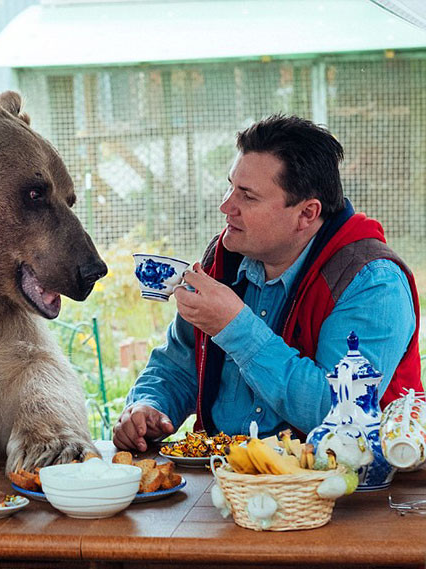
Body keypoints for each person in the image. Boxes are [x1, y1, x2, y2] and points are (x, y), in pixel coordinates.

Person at [114, 115, 420, 452]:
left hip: (342, 490)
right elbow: (179, 364)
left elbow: (340, 414)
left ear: (306, 213)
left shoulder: (372, 282)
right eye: (231, 186)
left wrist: (234, 326)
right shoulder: (224, 258)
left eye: (247, 196)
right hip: (225, 478)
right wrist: (148, 407)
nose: (226, 206)